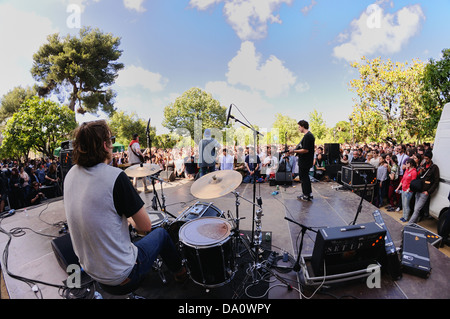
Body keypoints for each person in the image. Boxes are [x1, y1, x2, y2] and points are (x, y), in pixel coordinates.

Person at [64, 120, 186, 295]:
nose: (113, 146)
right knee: (161, 234)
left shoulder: (70, 174)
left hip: (90, 270)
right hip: (122, 276)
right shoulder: (115, 177)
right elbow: (145, 227)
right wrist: (129, 218)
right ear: (105, 145)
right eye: (111, 141)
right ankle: (181, 274)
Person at [408, 150, 440, 225]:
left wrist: (428, 192)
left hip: (425, 192)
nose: (426, 160)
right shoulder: (423, 165)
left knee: (417, 209)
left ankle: (409, 224)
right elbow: (419, 177)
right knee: (416, 209)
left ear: (430, 158)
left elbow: (436, 182)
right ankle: (414, 224)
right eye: (425, 158)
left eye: (427, 159)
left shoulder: (434, 168)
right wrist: (421, 171)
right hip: (418, 190)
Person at [293, 120, 315, 201]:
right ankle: (308, 193)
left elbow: (305, 150)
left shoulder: (308, 136)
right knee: (305, 177)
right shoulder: (308, 135)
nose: (299, 128)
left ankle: (306, 195)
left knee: (304, 177)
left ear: (302, 126)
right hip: (306, 161)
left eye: (299, 127)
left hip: (305, 161)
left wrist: (294, 151)